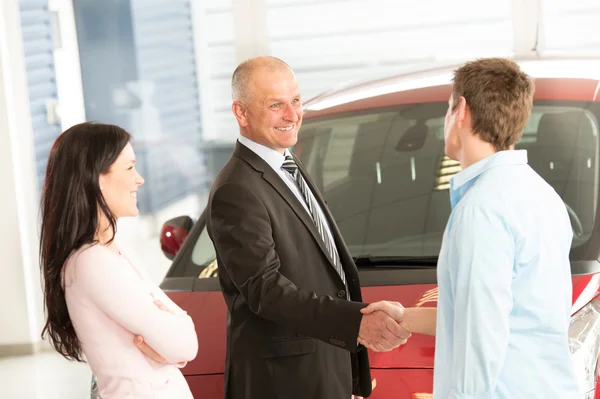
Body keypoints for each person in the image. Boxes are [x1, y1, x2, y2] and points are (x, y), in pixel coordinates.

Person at [362, 58, 580, 398]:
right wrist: (404, 316)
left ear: (460, 110)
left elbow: (480, 336)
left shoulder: (481, 209)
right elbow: (498, 313)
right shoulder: (541, 194)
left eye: (449, 107)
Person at [205, 56, 410, 399]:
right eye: (276, 105)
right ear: (241, 113)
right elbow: (265, 290)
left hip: (322, 371)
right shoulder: (236, 189)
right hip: (285, 383)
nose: (292, 114)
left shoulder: (286, 163)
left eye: (296, 100)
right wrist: (355, 322)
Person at [40, 122, 198, 398]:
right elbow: (184, 344)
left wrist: (172, 341)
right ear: (97, 179)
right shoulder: (93, 263)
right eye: (129, 168)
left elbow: (182, 343)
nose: (140, 179)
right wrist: (173, 330)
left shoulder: (116, 250)